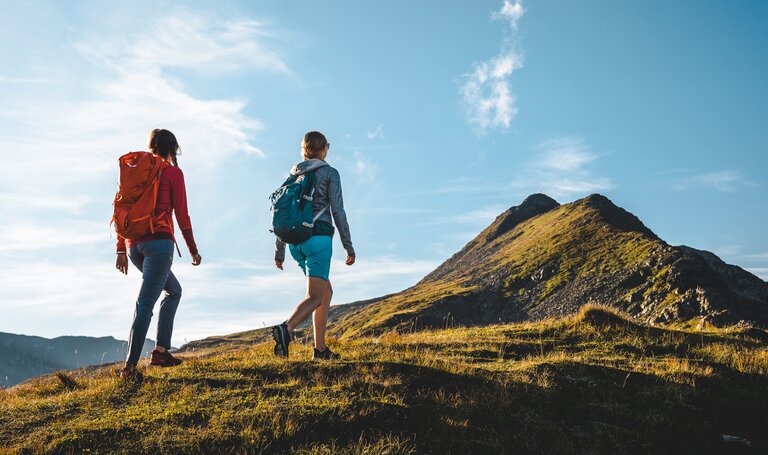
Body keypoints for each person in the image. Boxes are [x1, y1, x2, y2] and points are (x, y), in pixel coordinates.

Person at [115, 129, 202, 380]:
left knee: (173, 290)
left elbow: (123, 208)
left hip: (134, 246)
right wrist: (193, 250)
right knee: (145, 303)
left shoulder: (137, 173)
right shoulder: (172, 172)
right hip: (158, 245)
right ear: (172, 148)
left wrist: (121, 247)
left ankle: (161, 351)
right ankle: (129, 367)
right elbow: (182, 216)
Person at [272, 131, 355, 360]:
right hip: (318, 240)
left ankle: (320, 350)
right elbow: (337, 210)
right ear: (325, 148)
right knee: (315, 296)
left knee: (325, 292)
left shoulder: (293, 176)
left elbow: (285, 213)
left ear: (304, 150)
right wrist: (348, 246)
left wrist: (279, 252)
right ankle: (285, 329)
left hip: (295, 244)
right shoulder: (329, 173)